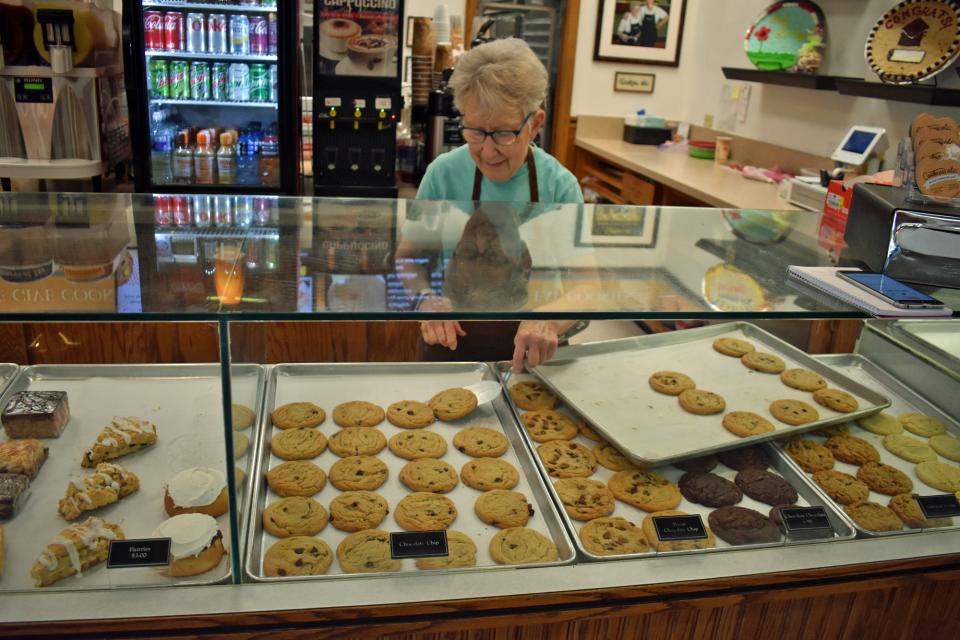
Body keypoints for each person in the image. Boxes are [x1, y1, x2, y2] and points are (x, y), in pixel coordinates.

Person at [411, 38, 583, 372]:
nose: (488, 151)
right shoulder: (443, 175)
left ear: (535, 123)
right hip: (449, 343)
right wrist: (424, 300)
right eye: (474, 131)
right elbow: (409, 260)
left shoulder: (560, 187)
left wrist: (550, 321)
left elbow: (587, 287)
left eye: (504, 134)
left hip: (535, 353)